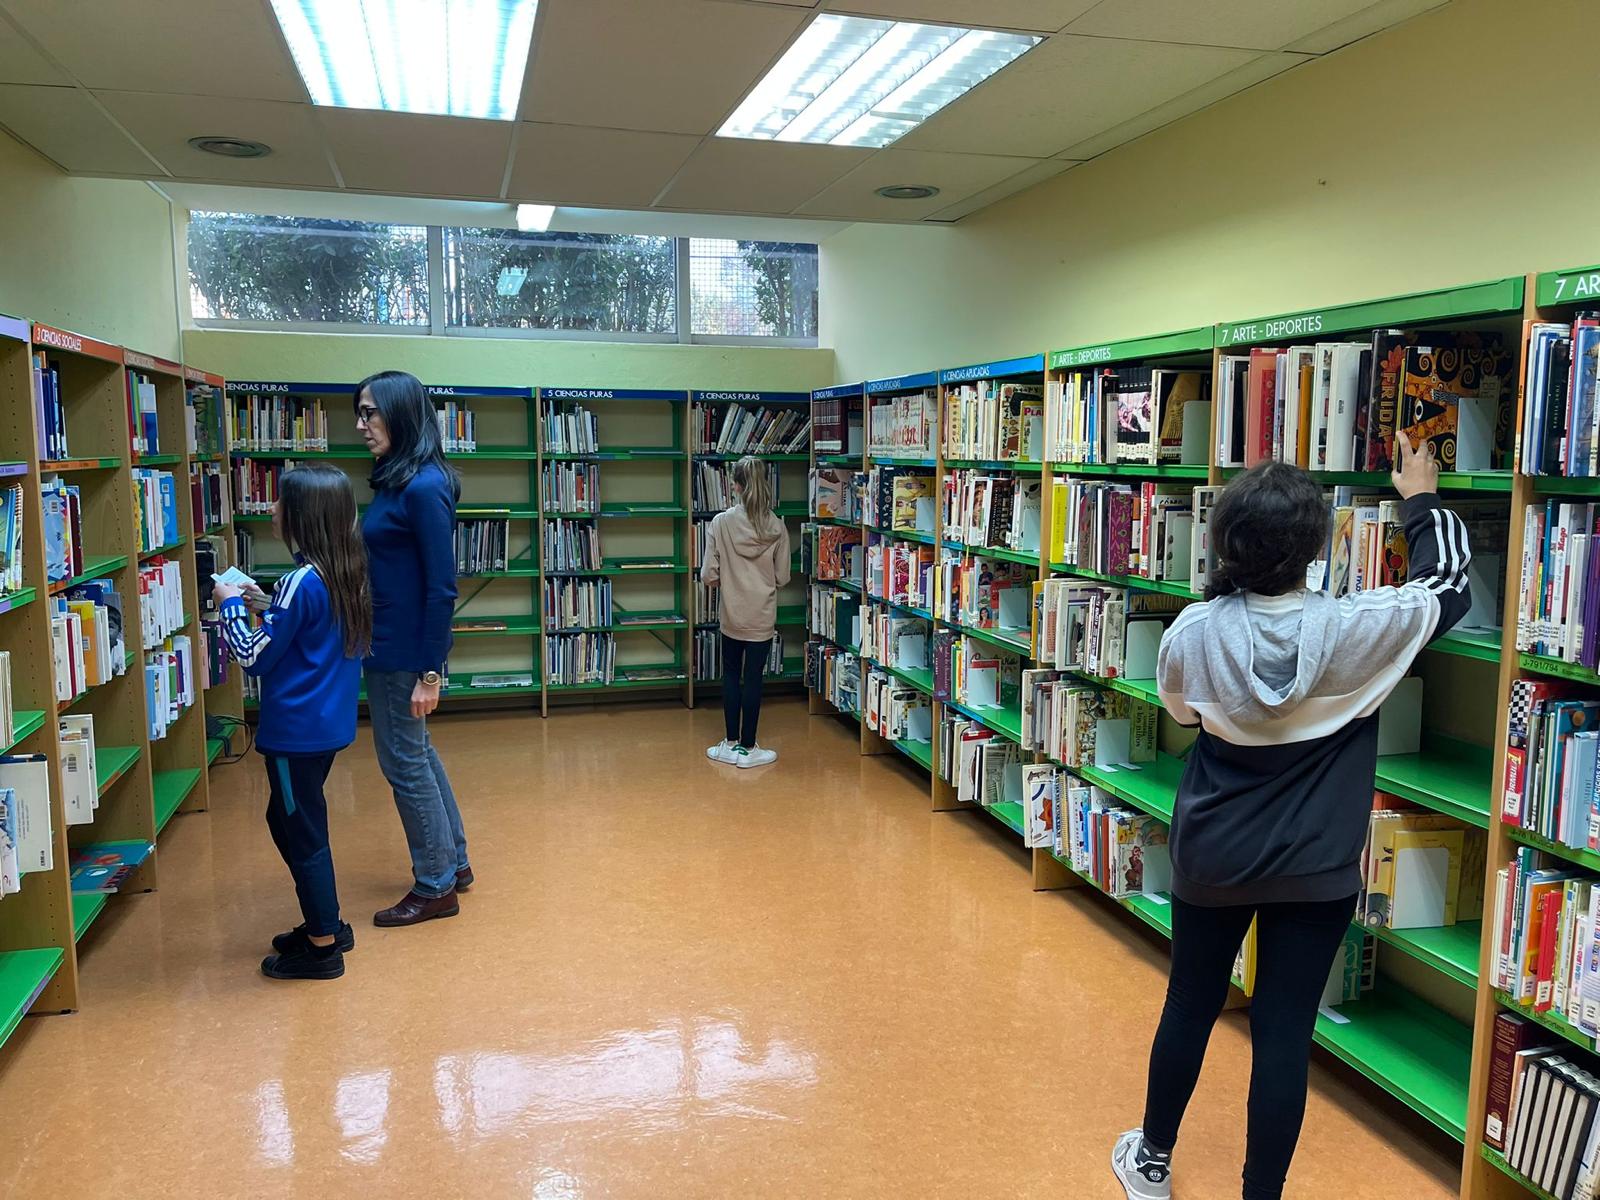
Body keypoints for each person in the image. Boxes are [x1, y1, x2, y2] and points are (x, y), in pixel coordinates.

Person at [1111, 433, 1472, 1200]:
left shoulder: (1192, 633)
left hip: (1216, 857)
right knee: (1283, 1030)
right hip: (1317, 868)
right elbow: (1450, 586)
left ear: (1226, 543)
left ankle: (1151, 1162)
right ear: (1315, 547)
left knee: (1191, 1002)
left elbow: (1183, 715)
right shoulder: (1360, 628)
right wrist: (1420, 499)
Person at [215, 464, 370, 981]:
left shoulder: (298, 581)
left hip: (294, 732)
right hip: (326, 724)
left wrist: (230, 607)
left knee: (300, 831)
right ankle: (327, 922)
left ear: (303, 516)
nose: (272, 508)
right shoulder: (344, 568)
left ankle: (323, 946)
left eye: (281, 502)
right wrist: (264, 602)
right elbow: (307, 628)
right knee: (289, 819)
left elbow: (253, 656)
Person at [355, 370, 472, 927]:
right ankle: (455, 863)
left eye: (370, 412)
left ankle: (435, 885)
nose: (361, 425)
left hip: (403, 650)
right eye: (359, 413)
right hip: (389, 642)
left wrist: (431, 671)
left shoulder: (423, 488)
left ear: (400, 414)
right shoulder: (399, 482)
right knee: (418, 754)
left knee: (403, 762)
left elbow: (441, 587)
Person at [701, 455, 791, 768]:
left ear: (736, 486)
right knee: (753, 678)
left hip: (732, 614)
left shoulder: (720, 523)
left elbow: (708, 575)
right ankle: (749, 749)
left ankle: (729, 743)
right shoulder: (777, 526)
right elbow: (782, 577)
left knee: (730, 674)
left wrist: (730, 577)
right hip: (761, 616)